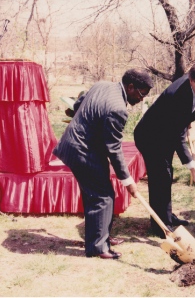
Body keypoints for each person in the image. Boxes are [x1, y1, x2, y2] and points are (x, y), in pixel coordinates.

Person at [52, 69, 154, 259]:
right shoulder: (118, 109)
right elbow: (114, 149)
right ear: (130, 87)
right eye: (141, 94)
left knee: (95, 195)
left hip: (75, 145)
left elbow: (77, 104)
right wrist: (128, 181)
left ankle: (101, 237)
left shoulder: (102, 85)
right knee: (103, 196)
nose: (142, 99)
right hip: (82, 150)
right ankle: (98, 247)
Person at [134, 61, 195, 238]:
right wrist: (193, 168)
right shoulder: (177, 96)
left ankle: (167, 216)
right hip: (150, 137)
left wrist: (190, 127)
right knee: (160, 177)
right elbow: (178, 139)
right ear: (192, 80)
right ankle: (161, 226)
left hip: (165, 134)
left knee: (166, 176)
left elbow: (186, 118)